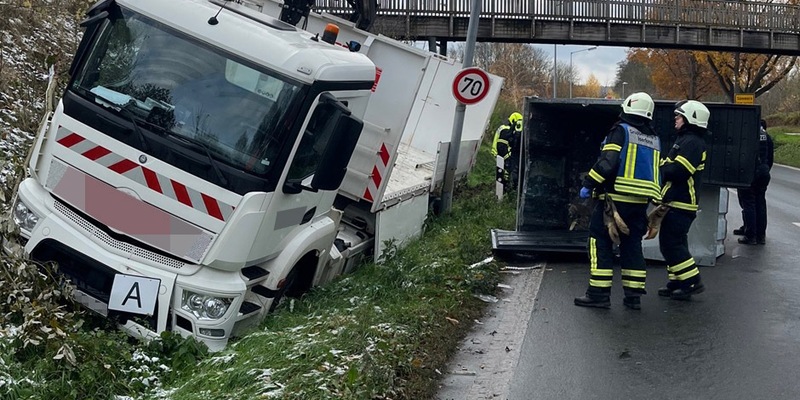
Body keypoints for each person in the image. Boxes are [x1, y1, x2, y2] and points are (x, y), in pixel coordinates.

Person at [574, 92, 662, 310]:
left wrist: (588, 184)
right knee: (632, 245)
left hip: (614, 201)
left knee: (600, 242)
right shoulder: (653, 138)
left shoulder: (620, 131)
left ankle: (598, 294)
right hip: (640, 203)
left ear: (627, 109)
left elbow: (607, 162)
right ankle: (633, 296)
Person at [656, 100, 710, 300]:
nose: (675, 120)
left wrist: (658, 170)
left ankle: (691, 282)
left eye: (679, 116)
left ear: (690, 119)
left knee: (671, 244)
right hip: (677, 202)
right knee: (675, 244)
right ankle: (677, 280)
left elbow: (679, 171)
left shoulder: (692, 143)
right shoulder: (686, 140)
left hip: (682, 203)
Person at [734, 119, 774, 245]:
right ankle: (761, 235)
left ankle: (750, 235)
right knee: (760, 203)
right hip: (763, 172)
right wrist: (765, 169)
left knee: (748, 202)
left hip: (749, 172)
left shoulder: (746, 134)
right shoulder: (767, 137)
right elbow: (770, 158)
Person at [491, 112, 523, 191]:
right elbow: (503, 146)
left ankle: (503, 192)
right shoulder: (506, 130)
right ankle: (504, 192)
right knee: (505, 175)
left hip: (498, 154)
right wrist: (507, 158)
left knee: (502, 175)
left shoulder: (502, 128)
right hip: (502, 155)